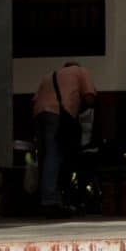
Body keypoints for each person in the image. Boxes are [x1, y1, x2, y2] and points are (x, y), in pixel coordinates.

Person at [31, 60, 98, 214]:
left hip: (38, 114)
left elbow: (34, 99)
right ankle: (50, 201)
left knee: (44, 156)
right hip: (57, 114)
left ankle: (43, 198)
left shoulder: (49, 75)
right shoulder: (81, 71)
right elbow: (89, 98)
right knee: (54, 155)